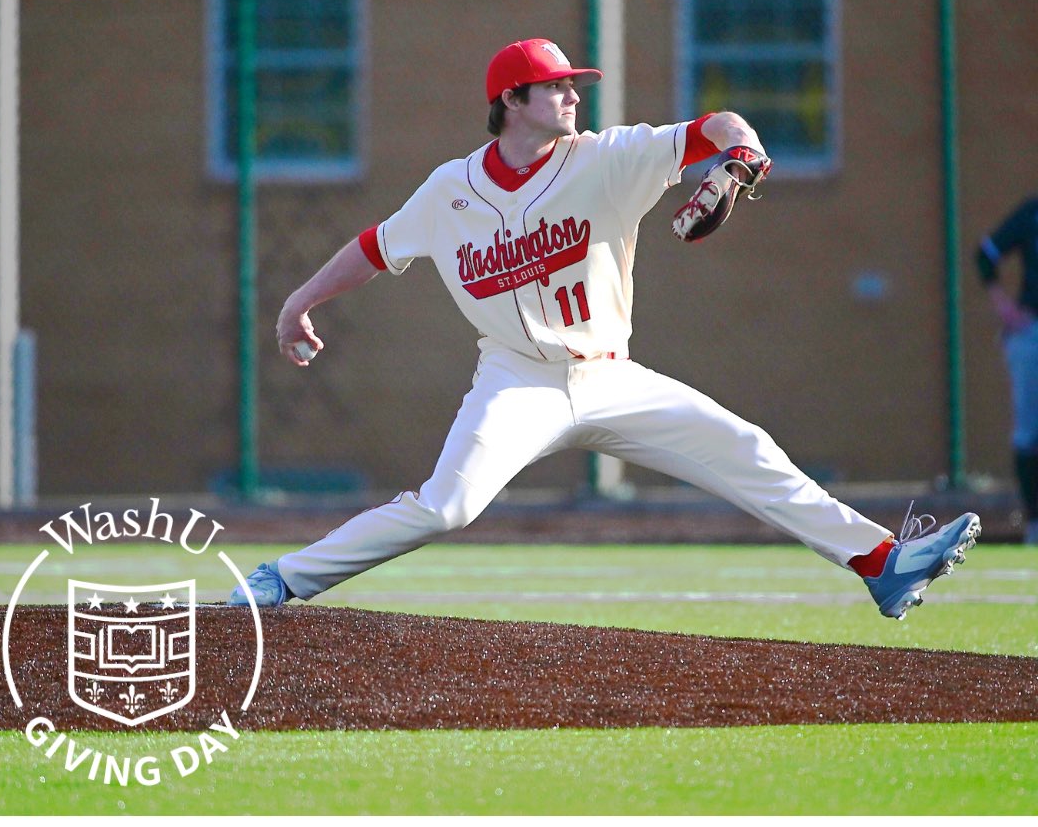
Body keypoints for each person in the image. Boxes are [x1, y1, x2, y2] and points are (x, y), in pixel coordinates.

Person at [229, 38, 980, 618]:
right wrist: (301, 300)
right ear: (512, 99)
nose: (571, 96)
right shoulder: (449, 190)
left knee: (743, 447)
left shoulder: (607, 158)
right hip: (515, 377)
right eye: (556, 86)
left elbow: (716, 126)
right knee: (447, 506)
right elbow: (375, 248)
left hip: (611, 376)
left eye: (572, 85)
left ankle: (883, 564)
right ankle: (280, 579)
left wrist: (742, 154)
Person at [976, 196, 1038, 544]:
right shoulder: (1031, 214)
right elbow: (985, 256)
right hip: (1033, 332)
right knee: (1029, 433)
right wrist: (1007, 311)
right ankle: (1034, 526)